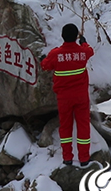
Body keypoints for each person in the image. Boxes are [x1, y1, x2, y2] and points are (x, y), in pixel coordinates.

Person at [40, 23, 95, 167]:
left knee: (65, 127)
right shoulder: (82, 52)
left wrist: (42, 58)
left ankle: (67, 158)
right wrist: (84, 42)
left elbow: (45, 65)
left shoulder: (56, 54)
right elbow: (90, 51)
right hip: (81, 97)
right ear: (76, 36)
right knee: (83, 126)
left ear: (62, 36)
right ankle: (84, 158)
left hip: (64, 98)